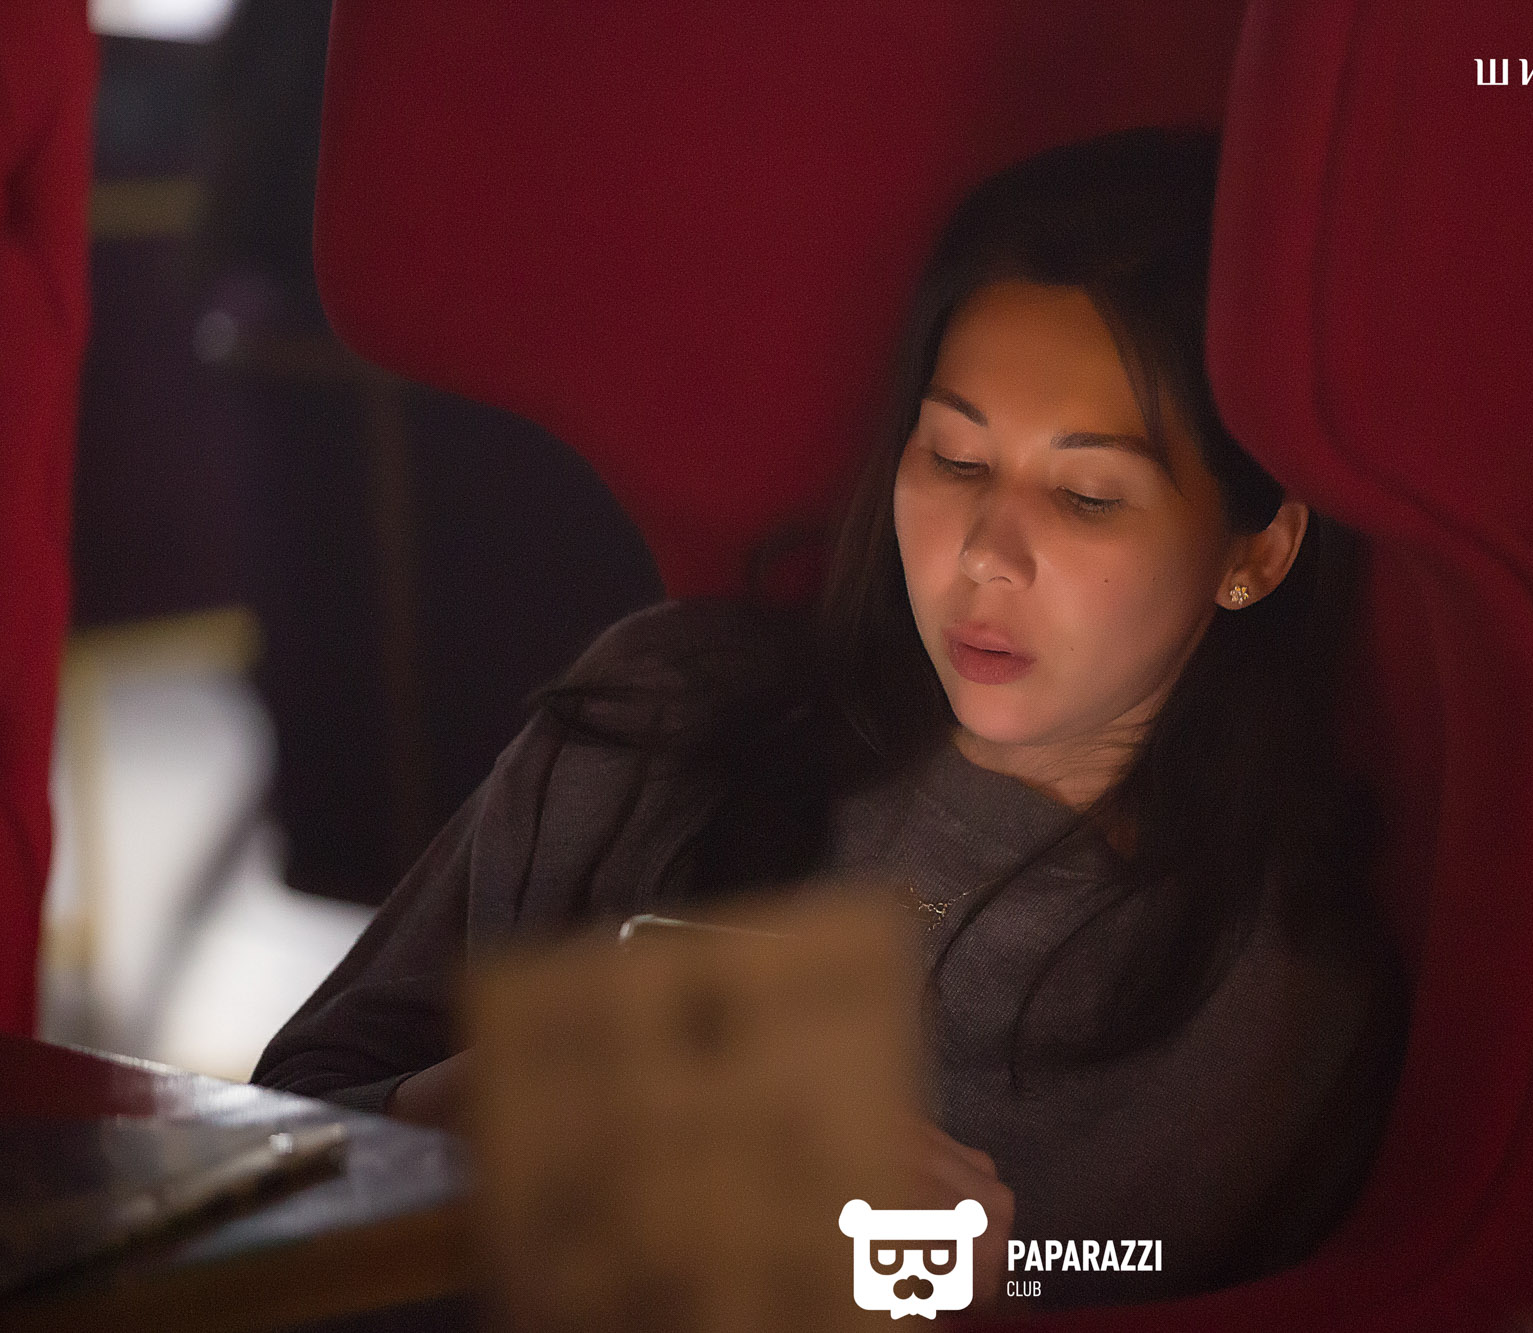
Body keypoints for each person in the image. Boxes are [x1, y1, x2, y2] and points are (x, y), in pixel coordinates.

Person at [252, 127, 1410, 1311]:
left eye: (1084, 496)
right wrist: (518, 1103)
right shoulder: (664, 715)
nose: (985, 554)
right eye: (953, 459)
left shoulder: (1283, 1008)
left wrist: (966, 1296)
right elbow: (272, 1142)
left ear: (1256, 549)